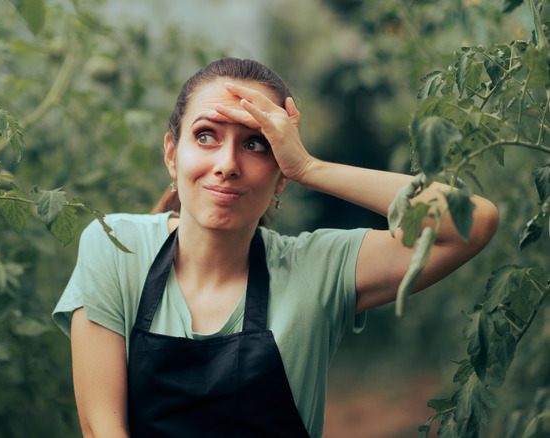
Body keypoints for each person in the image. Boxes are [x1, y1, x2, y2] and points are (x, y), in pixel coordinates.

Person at [52, 58, 499, 438]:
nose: (227, 165)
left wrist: (309, 166)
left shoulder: (316, 268)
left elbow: (472, 222)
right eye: (206, 135)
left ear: (280, 170)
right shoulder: (116, 246)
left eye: (256, 143)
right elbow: (101, 427)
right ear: (172, 153)